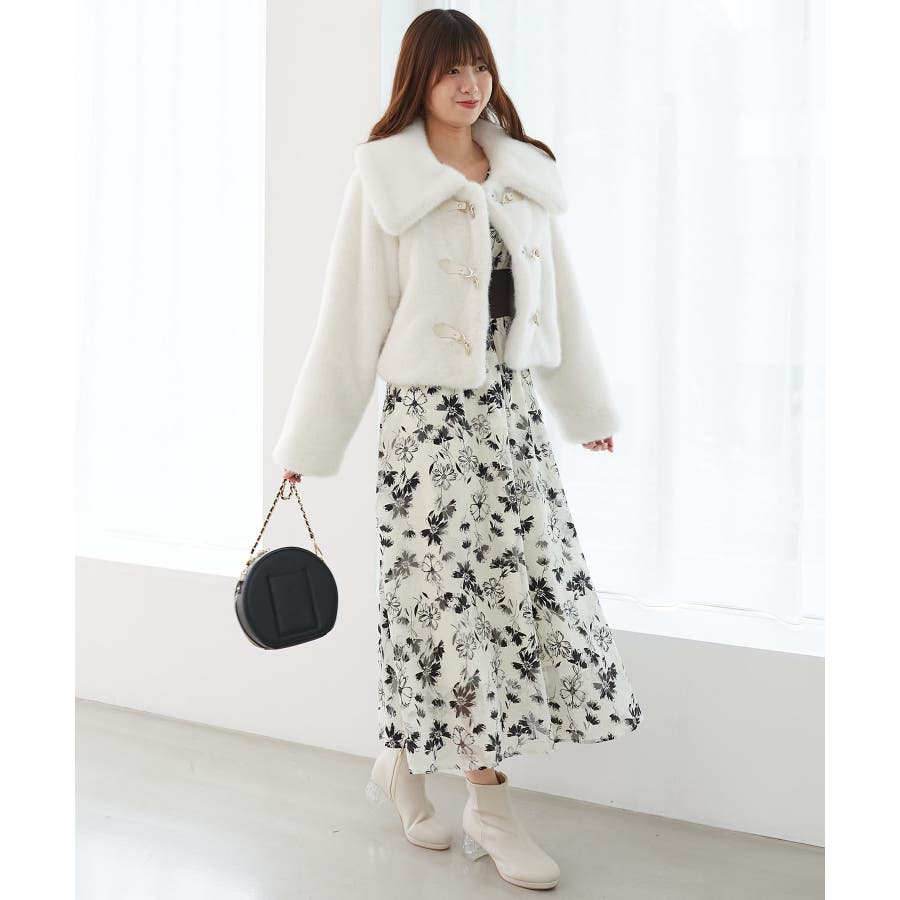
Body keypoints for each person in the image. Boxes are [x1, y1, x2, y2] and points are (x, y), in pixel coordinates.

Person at [274, 9, 642, 892]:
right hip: (427, 433)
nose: (469, 84)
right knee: (448, 614)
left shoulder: (522, 174)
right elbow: (349, 320)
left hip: (513, 426)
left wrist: (585, 406)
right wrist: (308, 444)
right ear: (418, 79)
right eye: (449, 70)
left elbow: (562, 303)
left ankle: (403, 763)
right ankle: (491, 808)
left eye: (479, 66)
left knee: (516, 605)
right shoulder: (385, 180)